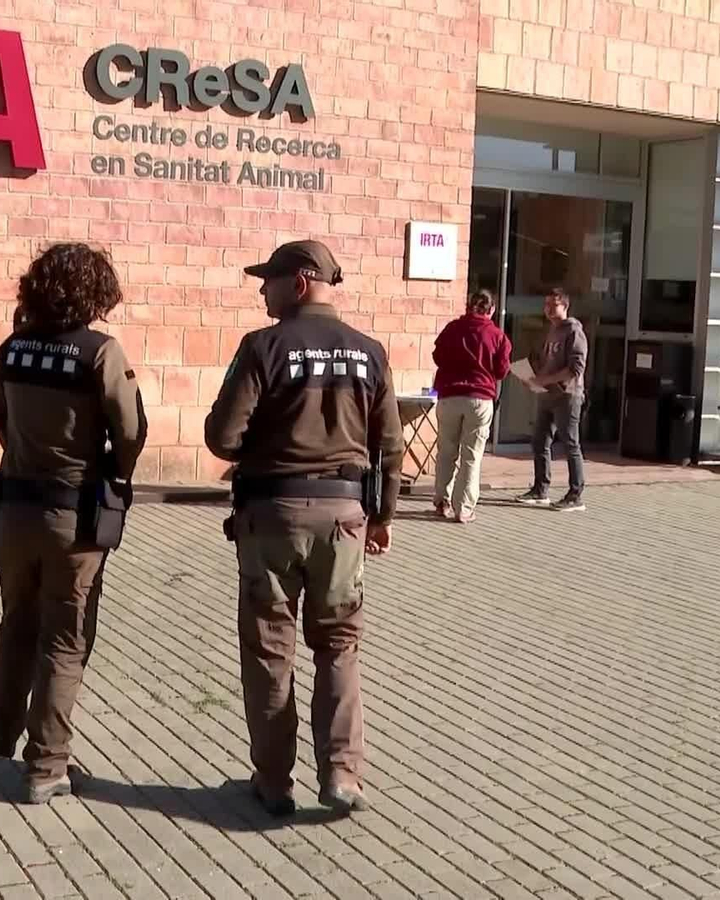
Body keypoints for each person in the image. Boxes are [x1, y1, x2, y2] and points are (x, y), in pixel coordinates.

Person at [205, 239, 403, 817]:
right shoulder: (370, 353)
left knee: (271, 650)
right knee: (339, 646)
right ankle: (342, 775)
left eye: (268, 280)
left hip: (270, 518)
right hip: (344, 521)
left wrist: (259, 446)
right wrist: (383, 518)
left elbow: (222, 436)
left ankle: (273, 782)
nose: (262, 290)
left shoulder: (263, 347)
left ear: (300, 281)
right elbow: (390, 447)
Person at [0, 242, 147, 804]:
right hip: (72, 516)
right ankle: (47, 764)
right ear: (94, 292)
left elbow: (1, 423)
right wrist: (114, 473)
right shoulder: (98, 352)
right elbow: (129, 430)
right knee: (64, 638)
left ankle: (4, 733)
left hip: (13, 509)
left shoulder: (12, 349)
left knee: (16, 623)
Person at [430, 289, 512, 523]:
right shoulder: (497, 335)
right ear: (492, 310)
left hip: (449, 395)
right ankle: (463, 508)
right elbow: (501, 370)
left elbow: (437, 356)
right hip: (480, 397)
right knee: (471, 455)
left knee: (446, 450)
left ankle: (441, 501)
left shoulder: (452, 328)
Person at [518, 286, 588, 511]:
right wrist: (531, 377)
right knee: (539, 440)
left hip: (567, 396)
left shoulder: (573, 331)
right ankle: (540, 489)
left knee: (570, 443)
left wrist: (545, 380)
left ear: (565, 306)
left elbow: (575, 368)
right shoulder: (551, 331)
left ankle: (575, 495)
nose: (548, 309)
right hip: (547, 395)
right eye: (546, 304)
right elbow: (545, 362)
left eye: (553, 305)